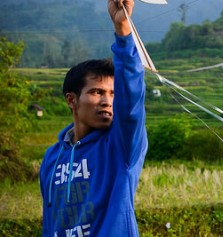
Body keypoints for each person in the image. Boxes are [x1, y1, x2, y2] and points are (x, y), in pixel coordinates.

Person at [39, 1, 147, 236]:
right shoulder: (51, 158)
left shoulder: (121, 146)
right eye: (97, 92)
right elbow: (50, 221)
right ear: (71, 100)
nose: (108, 101)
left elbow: (131, 101)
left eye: (113, 93)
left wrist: (122, 29)